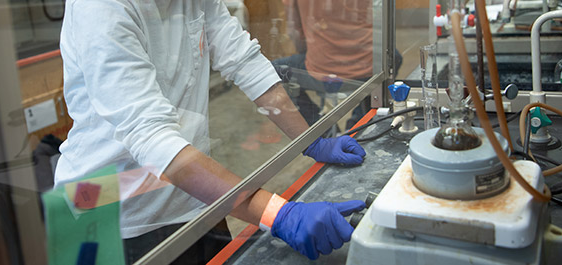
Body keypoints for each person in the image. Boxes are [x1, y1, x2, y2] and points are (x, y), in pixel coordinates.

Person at [54, 0, 367, 263]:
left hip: (194, 194)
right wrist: (280, 214)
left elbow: (245, 61)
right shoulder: (99, 7)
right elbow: (151, 136)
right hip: (111, 213)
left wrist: (311, 140)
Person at [274, 0, 403, 130]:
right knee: (394, 56)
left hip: (324, 72)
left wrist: (314, 51)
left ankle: (320, 130)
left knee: (274, 71)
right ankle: (358, 124)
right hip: (369, 69)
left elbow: (294, 32)